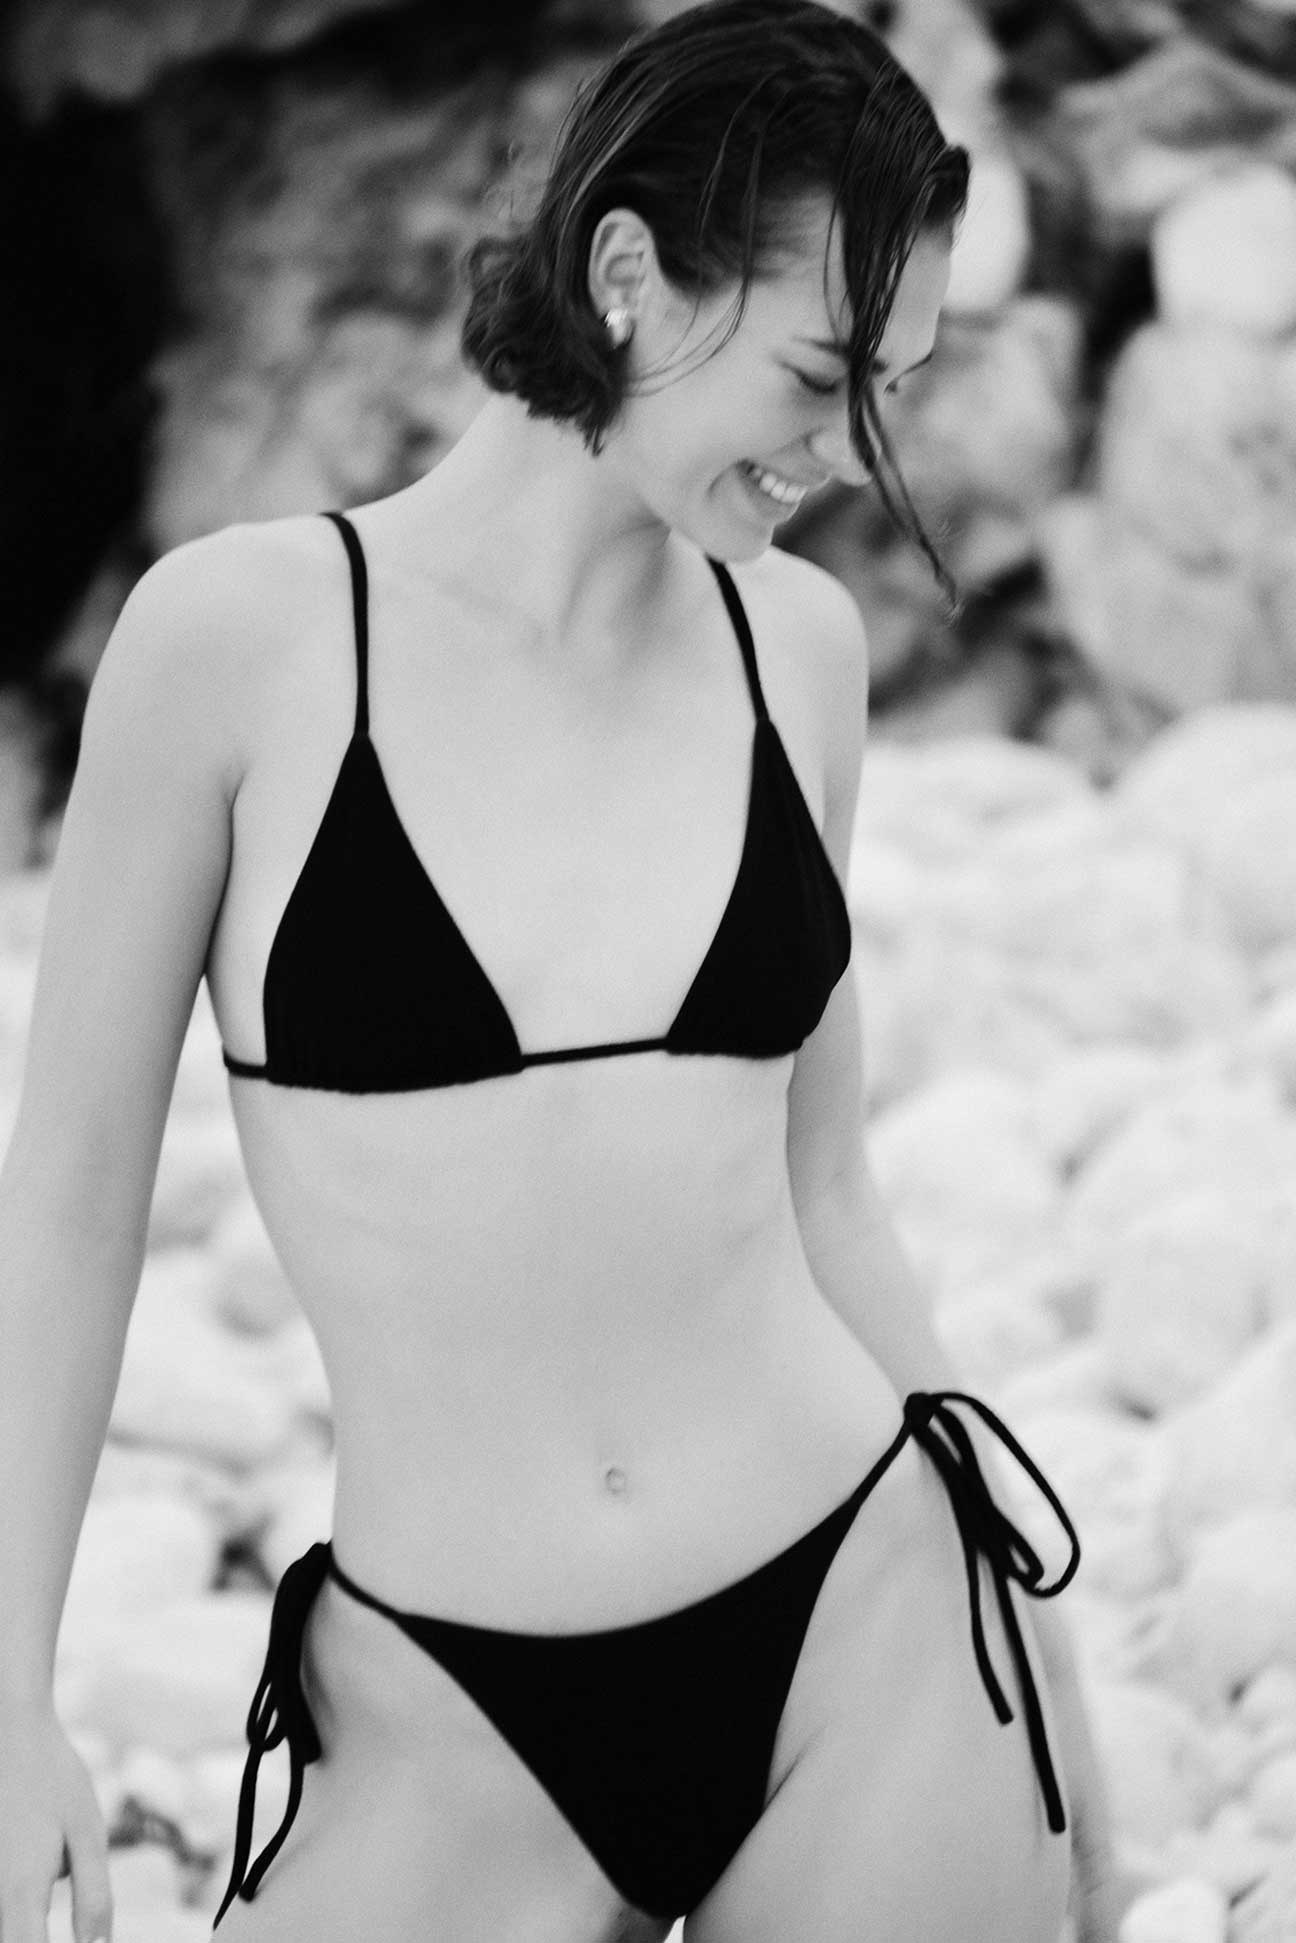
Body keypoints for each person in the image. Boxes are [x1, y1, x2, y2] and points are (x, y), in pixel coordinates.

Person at [0, 2, 1118, 1939]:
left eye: (897, 387)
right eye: (822, 373)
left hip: (867, 1646)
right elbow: (71, 1208)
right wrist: (8, 1700)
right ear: (627, 275)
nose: (856, 452)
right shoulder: (241, 643)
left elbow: (825, 1191)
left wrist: (1034, 1616)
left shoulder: (799, 655)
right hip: (449, 1713)